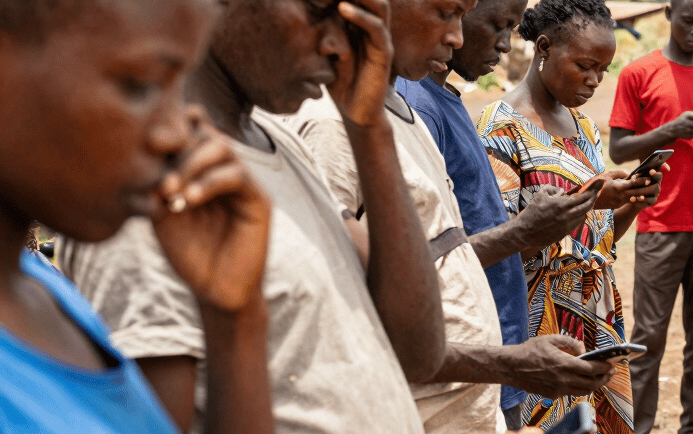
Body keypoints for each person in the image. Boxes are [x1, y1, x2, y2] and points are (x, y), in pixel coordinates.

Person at [58, 0, 449, 432]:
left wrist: (370, 128)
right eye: (319, 11)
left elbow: (419, 353)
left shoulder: (277, 140)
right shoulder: (155, 190)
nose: (339, 45)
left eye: (352, 23)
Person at [0, 0, 276, 432]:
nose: (175, 133)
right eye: (141, 85)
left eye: (180, 91)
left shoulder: (44, 293)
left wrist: (234, 318)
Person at [394, 0, 618, 428]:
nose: (504, 43)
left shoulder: (443, 101)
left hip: (510, 335)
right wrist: (523, 232)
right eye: (497, 24)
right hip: (479, 348)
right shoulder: (428, 109)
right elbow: (420, 264)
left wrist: (605, 204)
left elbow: (597, 241)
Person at [477, 0, 664, 430]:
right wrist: (593, 198)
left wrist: (632, 201)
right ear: (544, 48)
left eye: (603, 69)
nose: (596, 80)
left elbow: (597, 242)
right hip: (541, 323)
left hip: (596, 314)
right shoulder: (501, 130)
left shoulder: (583, 128)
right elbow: (503, 246)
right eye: (585, 65)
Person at [606, 0, 693, 432]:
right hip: (660, 224)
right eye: (690, 20)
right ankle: (639, 426)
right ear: (670, 13)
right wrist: (671, 131)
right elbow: (619, 148)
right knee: (648, 339)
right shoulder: (638, 73)